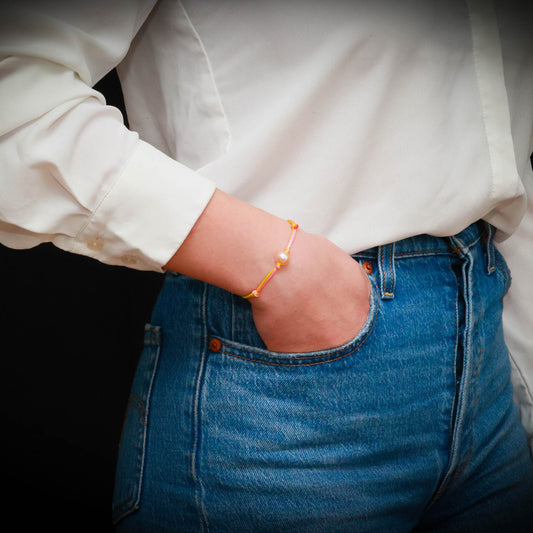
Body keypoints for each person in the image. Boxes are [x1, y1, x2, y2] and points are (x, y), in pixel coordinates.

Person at [1, 1, 532, 531]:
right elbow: (14, 89)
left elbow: (503, 160)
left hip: (489, 375)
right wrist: (276, 264)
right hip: (283, 388)